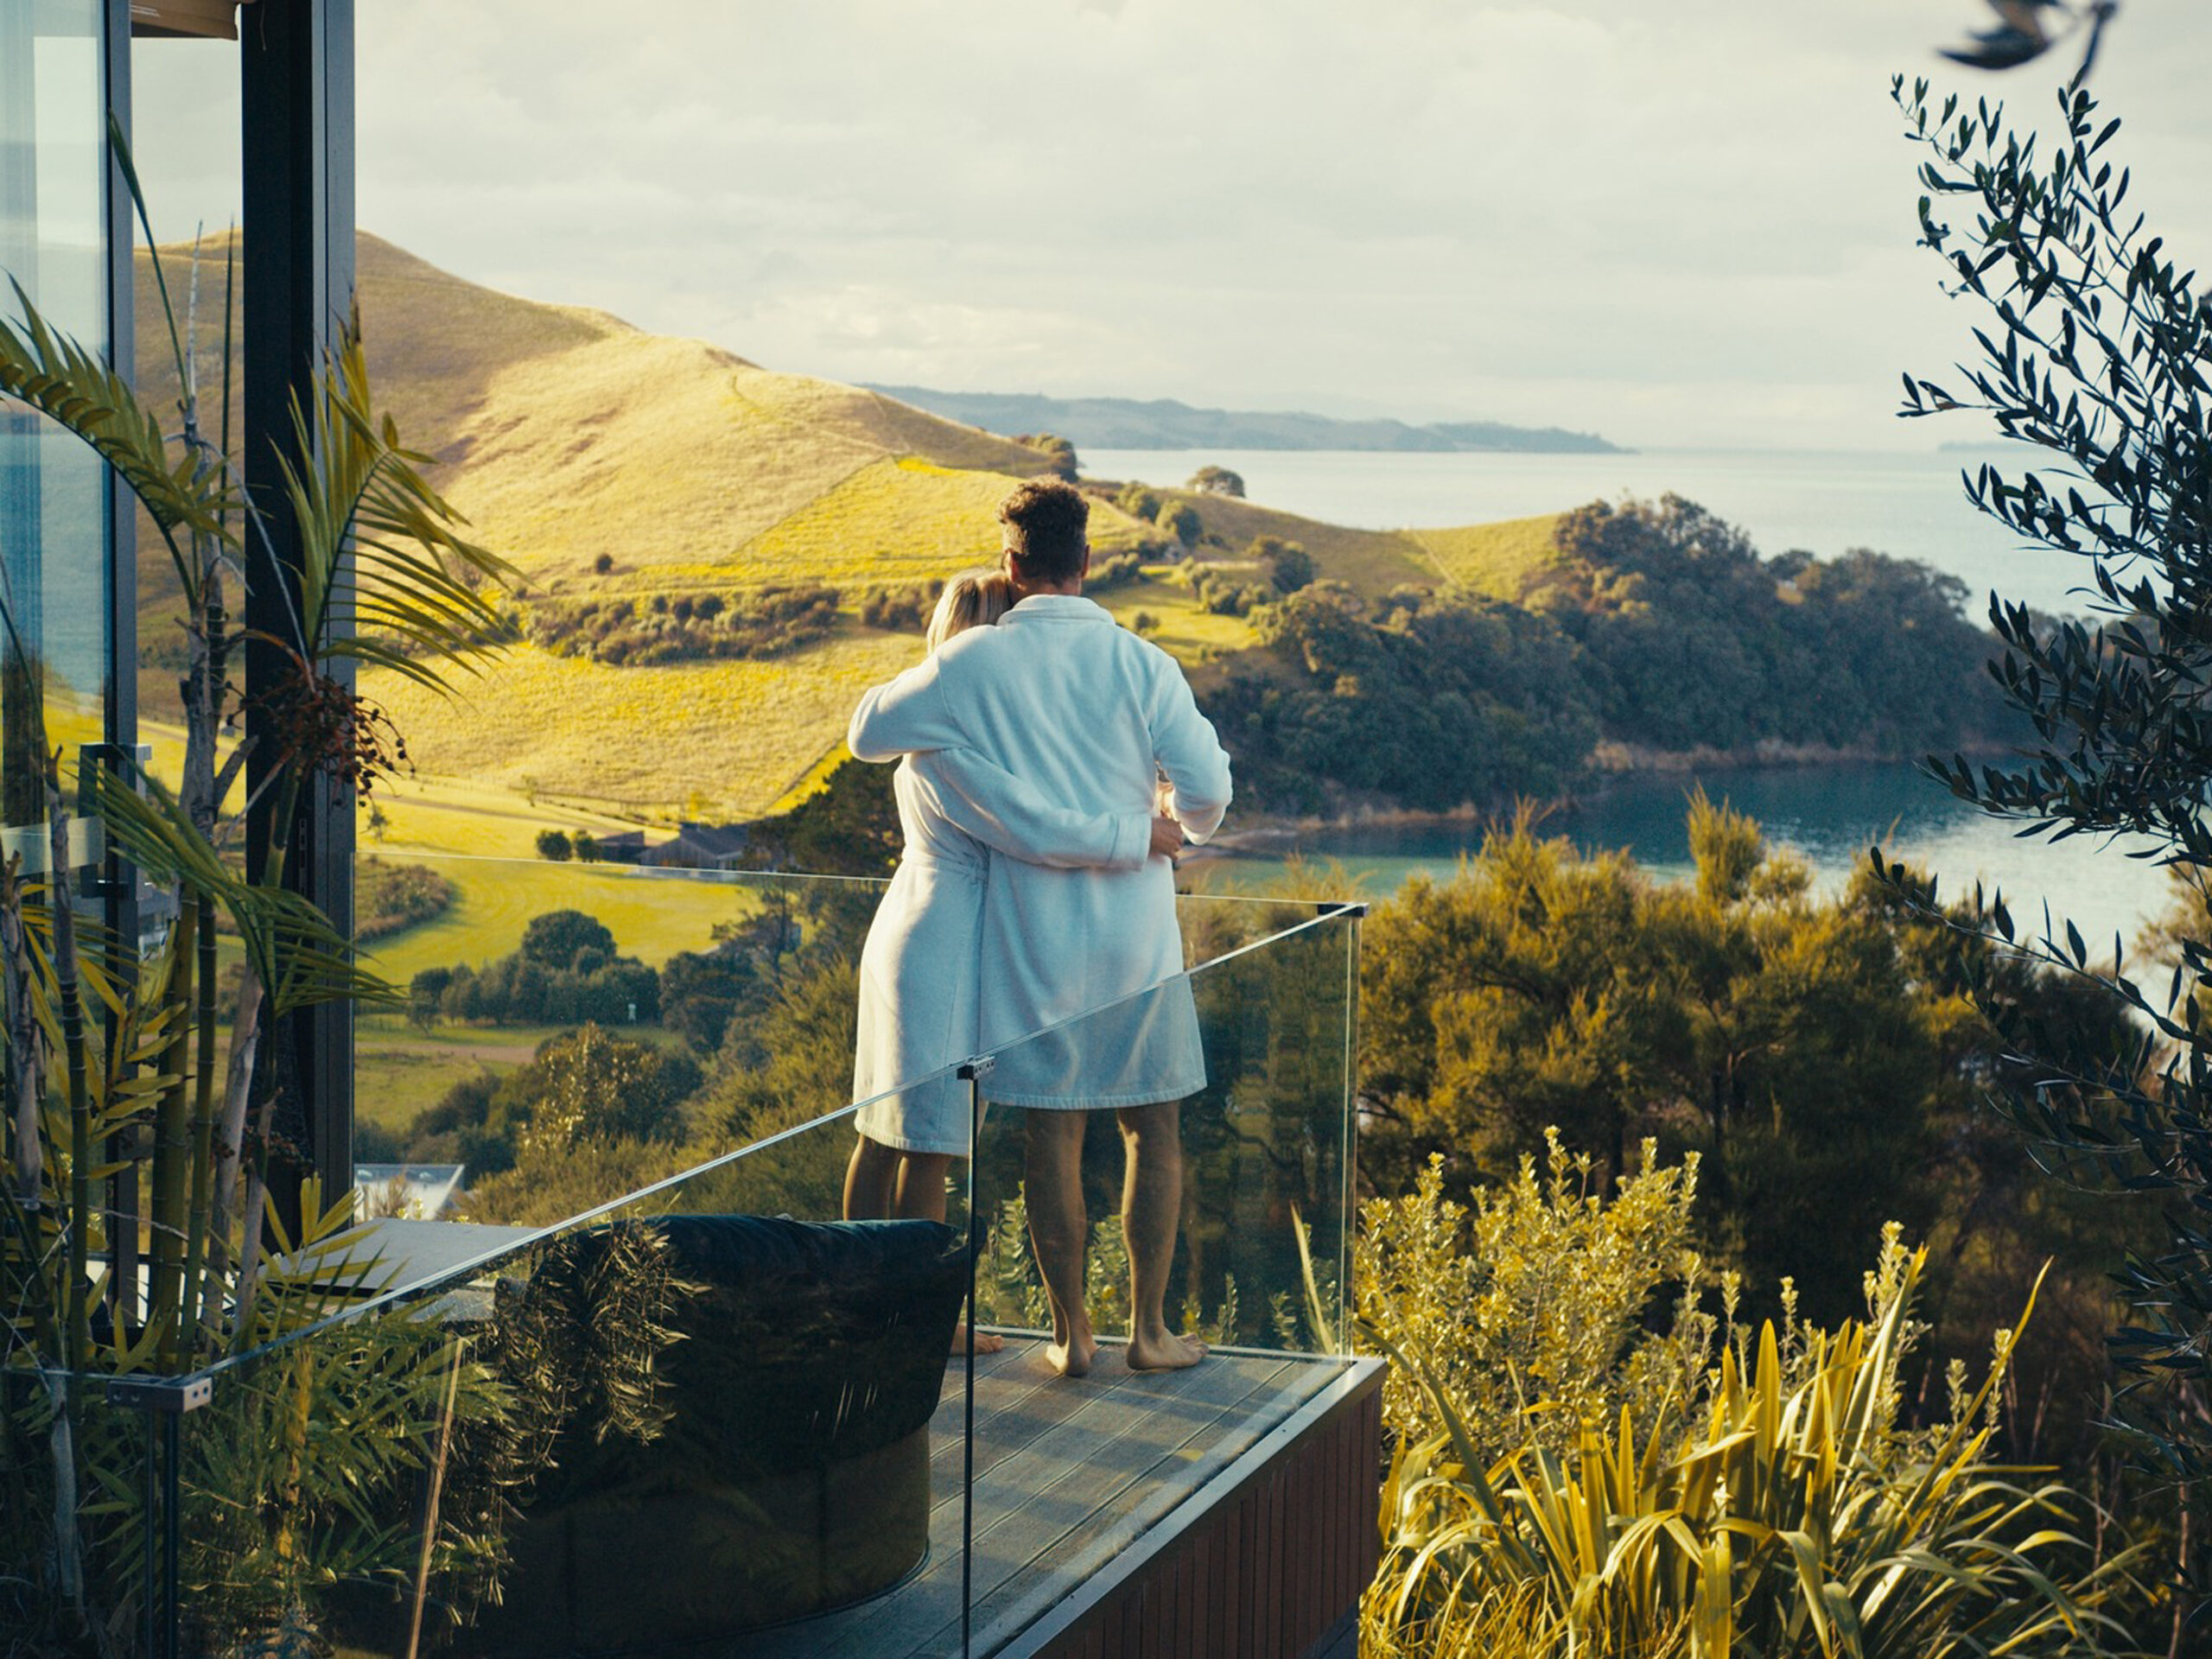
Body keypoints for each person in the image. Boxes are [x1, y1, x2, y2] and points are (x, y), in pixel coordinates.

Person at [848, 480, 1233, 1376]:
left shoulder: (970, 663)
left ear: (1011, 566)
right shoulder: (1142, 664)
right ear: (1085, 563)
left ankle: (1070, 1338)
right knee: (1153, 1129)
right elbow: (1209, 796)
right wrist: (1174, 817)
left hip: (1034, 939)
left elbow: (868, 730)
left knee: (1052, 1134)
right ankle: (1149, 1332)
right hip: (1135, 932)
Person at [844, 570, 1185, 1269]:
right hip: (942, 942)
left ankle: (861, 1300)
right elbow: (1031, 826)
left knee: (883, 1134)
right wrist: (1135, 833)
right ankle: (928, 1322)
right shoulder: (954, 751)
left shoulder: (937, 728)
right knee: (929, 1141)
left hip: (911, 927)